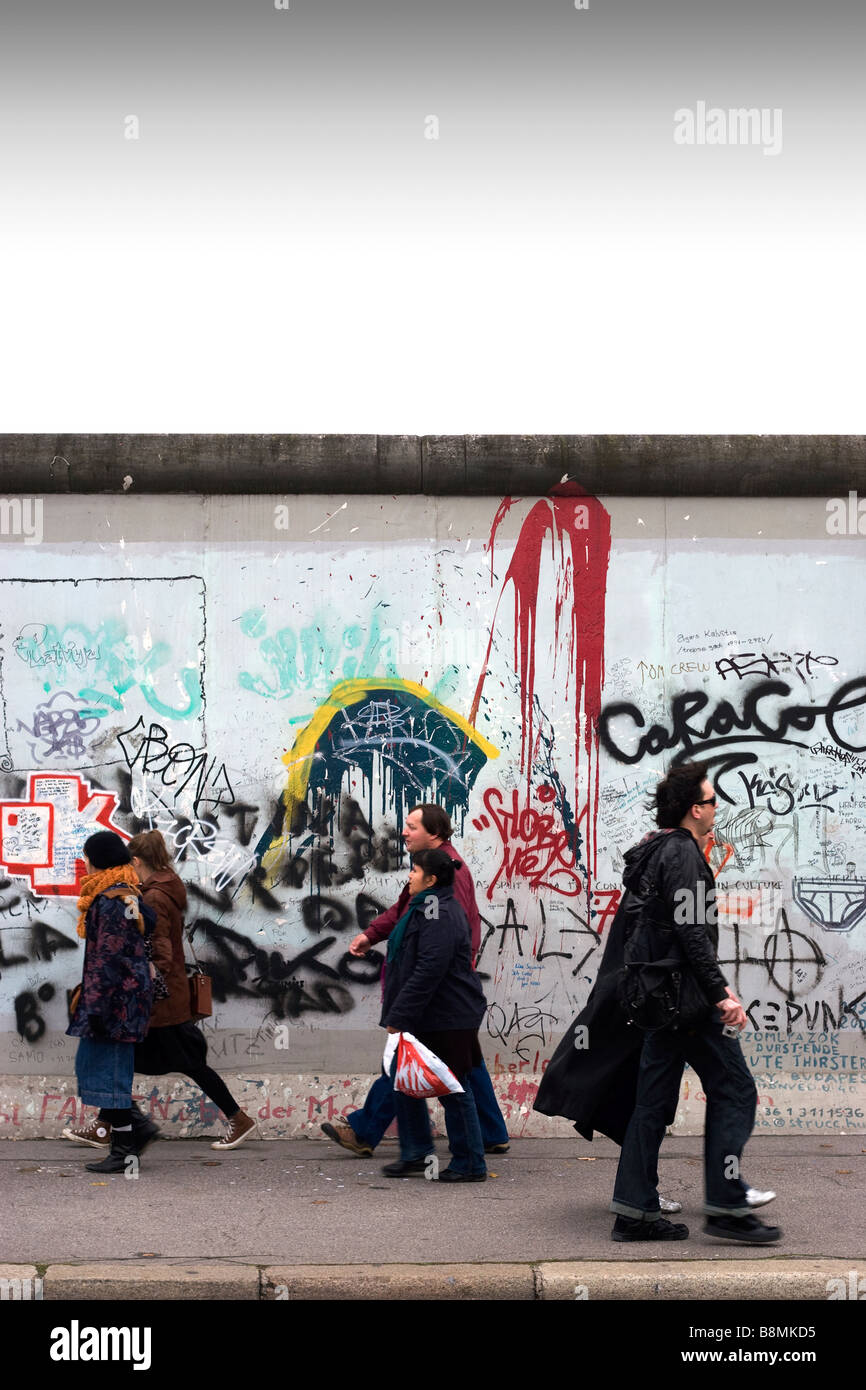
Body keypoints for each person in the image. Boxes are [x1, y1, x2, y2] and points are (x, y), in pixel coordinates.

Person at [594, 762, 780, 1243]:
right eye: (713, 800)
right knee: (736, 1091)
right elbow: (691, 934)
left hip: (660, 1000)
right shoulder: (682, 856)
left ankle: (634, 1211)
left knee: (650, 1104)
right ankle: (726, 1204)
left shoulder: (656, 851)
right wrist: (722, 995)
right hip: (687, 1004)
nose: (718, 807)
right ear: (696, 809)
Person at [320, 803, 510, 1157]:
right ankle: (489, 1132)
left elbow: (455, 932)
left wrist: (447, 981)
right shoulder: (428, 868)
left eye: (411, 826)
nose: (403, 832)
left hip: (440, 992)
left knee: (402, 1062)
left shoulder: (449, 871)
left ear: (433, 834)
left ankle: (370, 1133)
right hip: (447, 993)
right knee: (465, 1062)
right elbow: (403, 912)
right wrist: (371, 935)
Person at [63, 829, 256, 1152]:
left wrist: (141, 986)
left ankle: (234, 1118)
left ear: (137, 860)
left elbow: (160, 950)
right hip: (160, 995)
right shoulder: (158, 889)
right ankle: (109, 1127)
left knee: (179, 1062)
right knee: (128, 1060)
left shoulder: (151, 896)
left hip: (160, 1000)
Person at [380, 847, 487, 1182]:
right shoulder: (425, 907)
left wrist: (399, 1014)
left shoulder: (438, 912)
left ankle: (470, 1163)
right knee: (402, 1080)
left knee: (454, 1089)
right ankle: (415, 1153)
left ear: (432, 878)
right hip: (427, 1016)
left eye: (414, 870)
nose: (409, 875)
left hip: (447, 1016)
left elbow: (429, 969)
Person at [66, 831, 155, 1174]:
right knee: (100, 1073)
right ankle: (133, 1134)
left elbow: (109, 959)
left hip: (114, 1005)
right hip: (121, 1002)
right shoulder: (125, 895)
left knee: (109, 1077)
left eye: (87, 856)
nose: (84, 863)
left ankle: (125, 1151)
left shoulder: (112, 901)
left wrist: (97, 1008)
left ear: (98, 859)